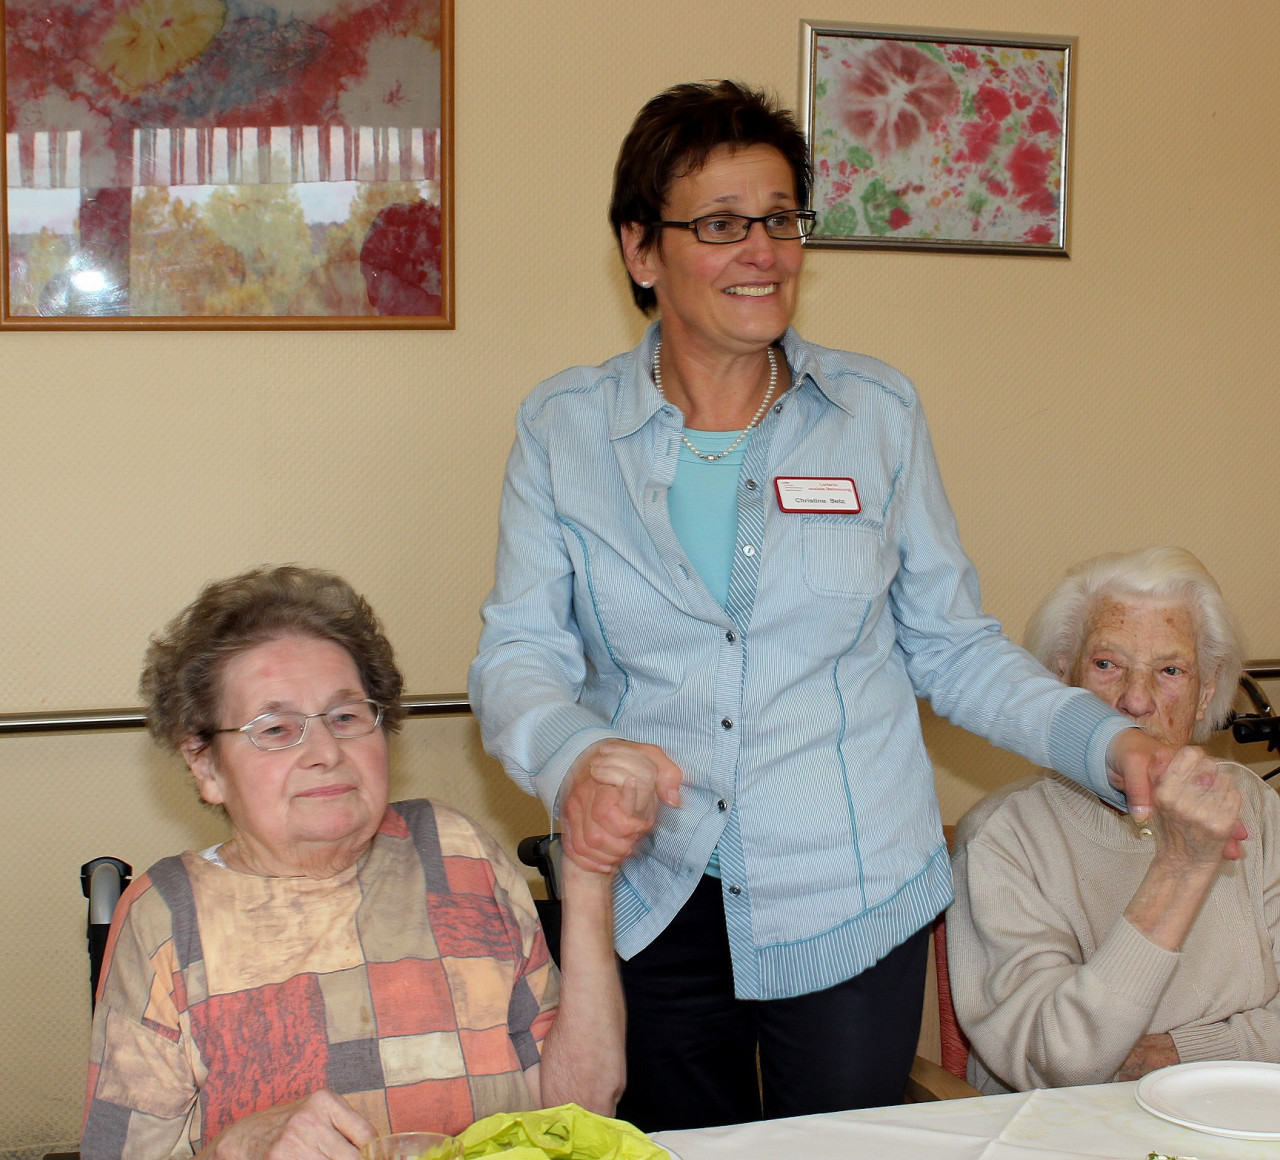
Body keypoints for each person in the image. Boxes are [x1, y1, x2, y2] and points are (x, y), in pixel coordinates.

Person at [467, 81, 1235, 1130]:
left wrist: (1111, 746)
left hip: (849, 888)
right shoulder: (563, 430)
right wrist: (572, 756)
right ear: (641, 249)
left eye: (780, 219)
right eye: (722, 224)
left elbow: (953, 648)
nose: (763, 252)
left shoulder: (875, 413)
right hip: (652, 890)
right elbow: (517, 651)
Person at [82, 566, 623, 1160]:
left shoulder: (455, 850)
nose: (324, 752)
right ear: (206, 766)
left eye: (345, 717)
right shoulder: (168, 915)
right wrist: (234, 1148)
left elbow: (581, 1110)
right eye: (276, 728)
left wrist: (590, 875)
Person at [949, 547, 1280, 1093]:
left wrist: (1186, 1053)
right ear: (1060, 680)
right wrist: (1181, 865)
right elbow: (1057, 1062)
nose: (1134, 700)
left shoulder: (1253, 805)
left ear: (1205, 692)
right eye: (1107, 665)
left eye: (1170, 670)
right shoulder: (1004, 836)